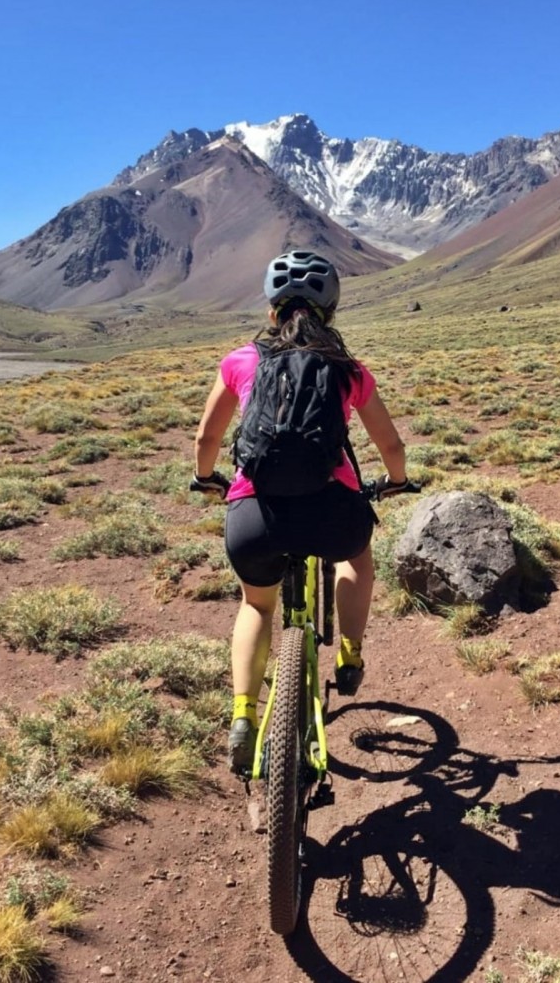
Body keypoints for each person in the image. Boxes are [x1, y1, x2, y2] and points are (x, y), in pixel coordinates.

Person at [191, 249, 410, 774]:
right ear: (330, 311)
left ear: (272, 311)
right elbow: (392, 447)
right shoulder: (348, 369)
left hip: (254, 514)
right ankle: (351, 654)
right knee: (355, 558)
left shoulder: (242, 361)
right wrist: (395, 483)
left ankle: (244, 714)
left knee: (257, 607)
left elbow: (207, 437)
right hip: (331, 510)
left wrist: (206, 478)